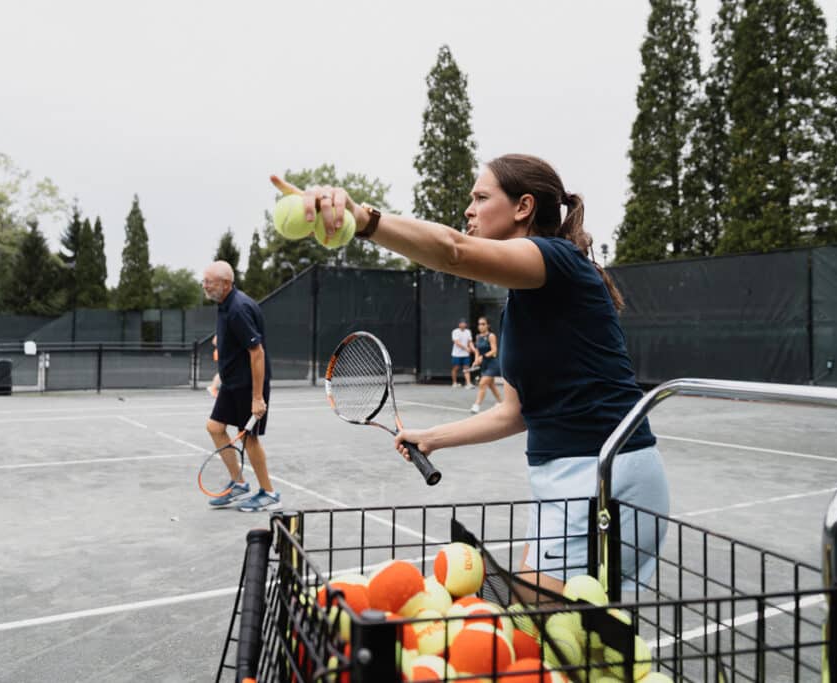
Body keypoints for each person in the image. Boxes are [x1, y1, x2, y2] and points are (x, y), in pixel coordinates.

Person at [273, 153, 668, 595]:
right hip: (564, 475)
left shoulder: (557, 261)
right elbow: (515, 412)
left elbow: (452, 251)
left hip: (601, 470)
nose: (469, 209)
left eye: (481, 197)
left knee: (559, 640)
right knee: (557, 637)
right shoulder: (521, 302)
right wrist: (434, 438)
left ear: (523, 207)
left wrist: (363, 219)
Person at [201, 260, 281, 512]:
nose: (204, 285)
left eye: (209, 282)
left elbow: (257, 353)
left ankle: (268, 493)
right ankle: (239, 483)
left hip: (248, 385)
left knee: (249, 438)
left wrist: (257, 398)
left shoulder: (238, 308)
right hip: (231, 383)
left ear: (226, 284)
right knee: (215, 427)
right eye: (204, 281)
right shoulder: (225, 305)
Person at [470, 316, 503, 413]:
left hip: (492, 364)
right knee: (491, 385)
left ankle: (476, 405)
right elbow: (477, 350)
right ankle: (501, 402)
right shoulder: (478, 336)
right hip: (484, 364)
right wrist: (476, 360)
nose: (480, 326)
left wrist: (483, 357)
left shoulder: (491, 336)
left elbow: (494, 350)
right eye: (479, 324)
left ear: (488, 325)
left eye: (483, 324)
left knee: (482, 383)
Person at [450, 319, 474, 388]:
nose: (463, 324)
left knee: (466, 368)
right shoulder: (455, 331)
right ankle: (454, 383)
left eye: (464, 323)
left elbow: (470, 341)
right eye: (461, 323)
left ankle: (468, 383)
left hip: (465, 354)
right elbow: (457, 342)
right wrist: (466, 348)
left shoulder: (468, 332)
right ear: (459, 324)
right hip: (456, 354)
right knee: (456, 368)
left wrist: (473, 349)